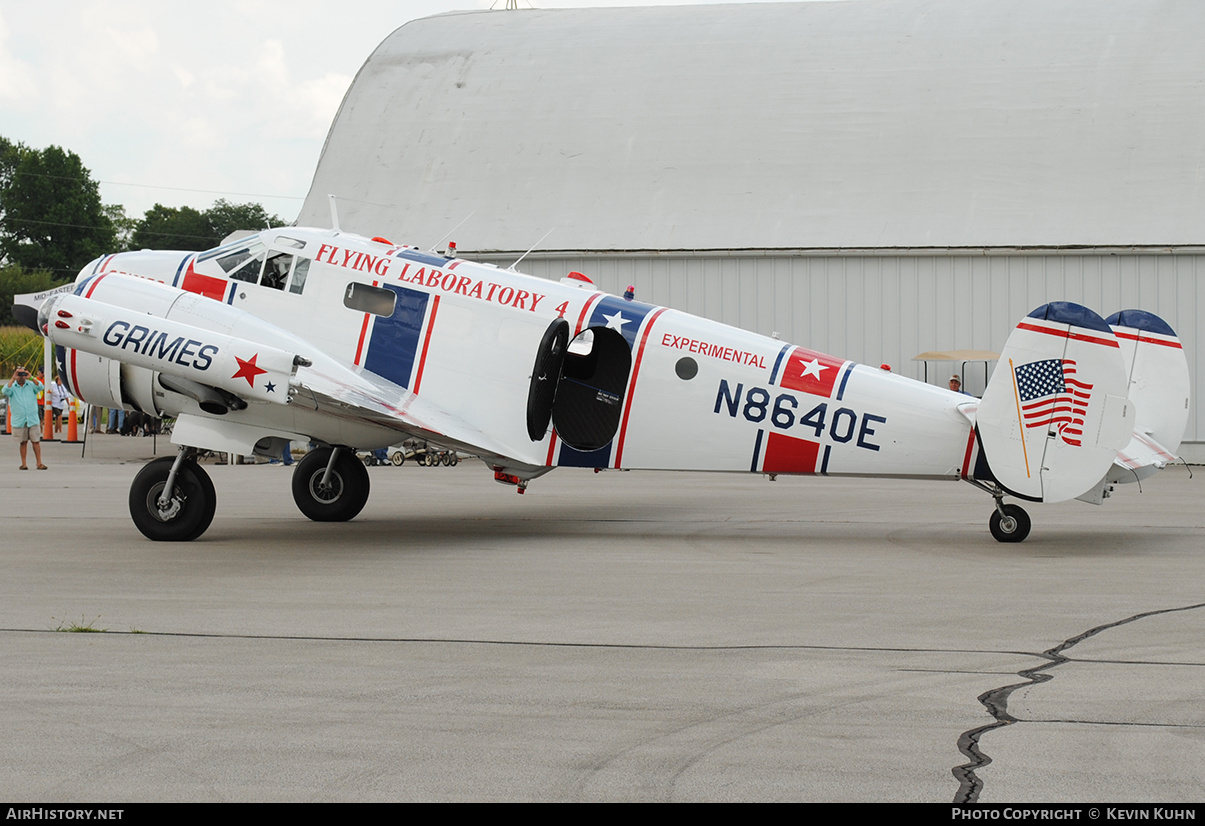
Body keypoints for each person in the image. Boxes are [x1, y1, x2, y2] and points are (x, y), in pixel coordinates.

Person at [3, 368, 47, 470]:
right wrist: (13, 378)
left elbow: (41, 387)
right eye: (19, 374)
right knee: (23, 442)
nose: (21, 376)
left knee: (36, 441)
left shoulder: (31, 385)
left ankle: (39, 462)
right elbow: (5, 390)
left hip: (32, 418)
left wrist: (31, 377)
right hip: (20, 419)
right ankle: (23, 463)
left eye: (23, 374)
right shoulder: (12, 387)